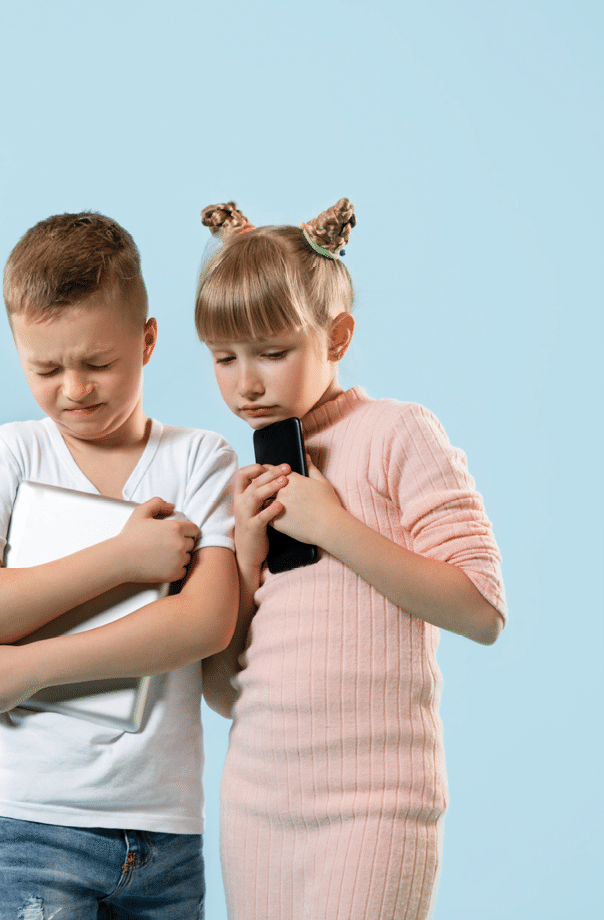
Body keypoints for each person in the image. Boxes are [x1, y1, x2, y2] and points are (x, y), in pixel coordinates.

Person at [194, 200, 507, 919]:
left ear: (336, 338)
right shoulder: (244, 486)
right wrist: (244, 558)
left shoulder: (398, 434)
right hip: (257, 807)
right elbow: (224, 695)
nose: (246, 384)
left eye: (272, 352)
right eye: (223, 358)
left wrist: (332, 526)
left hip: (377, 805)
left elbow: (481, 608)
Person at [0, 212, 239, 919]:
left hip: (164, 828)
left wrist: (34, 665)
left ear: (148, 340)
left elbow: (205, 622)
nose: (75, 388)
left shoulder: (200, 459)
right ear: (18, 349)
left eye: (99, 363)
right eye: (46, 367)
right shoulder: (8, 456)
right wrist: (123, 558)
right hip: (29, 823)